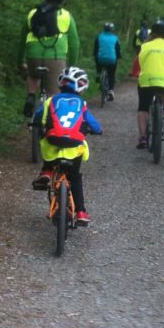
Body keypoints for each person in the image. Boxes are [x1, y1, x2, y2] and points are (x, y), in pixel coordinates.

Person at [31, 67, 102, 227]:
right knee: (75, 177)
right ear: (82, 87)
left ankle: (47, 171)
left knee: (47, 143)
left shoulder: (51, 100)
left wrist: (35, 124)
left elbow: (37, 116)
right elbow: (94, 124)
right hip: (73, 146)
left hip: (53, 142)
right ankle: (81, 212)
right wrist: (97, 130)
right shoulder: (81, 104)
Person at [18, 0, 80, 117]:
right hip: (56, 58)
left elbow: (21, 40)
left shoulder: (32, 13)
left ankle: (30, 95)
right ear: (61, 1)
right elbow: (74, 44)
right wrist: (71, 66)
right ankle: (50, 121)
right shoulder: (66, 16)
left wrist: (19, 62)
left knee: (32, 74)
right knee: (53, 94)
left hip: (33, 55)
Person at [135, 20, 164, 149]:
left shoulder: (145, 46)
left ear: (152, 33)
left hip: (147, 81)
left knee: (143, 108)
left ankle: (143, 138)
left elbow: (141, 64)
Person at [93, 22, 121, 101]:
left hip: (100, 59)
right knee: (111, 74)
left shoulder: (99, 36)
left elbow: (96, 49)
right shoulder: (115, 38)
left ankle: (99, 74)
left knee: (97, 61)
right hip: (112, 60)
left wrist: (94, 56)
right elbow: (117, 50)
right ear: (112, 29)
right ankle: (111, 91)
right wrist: (118, 57)